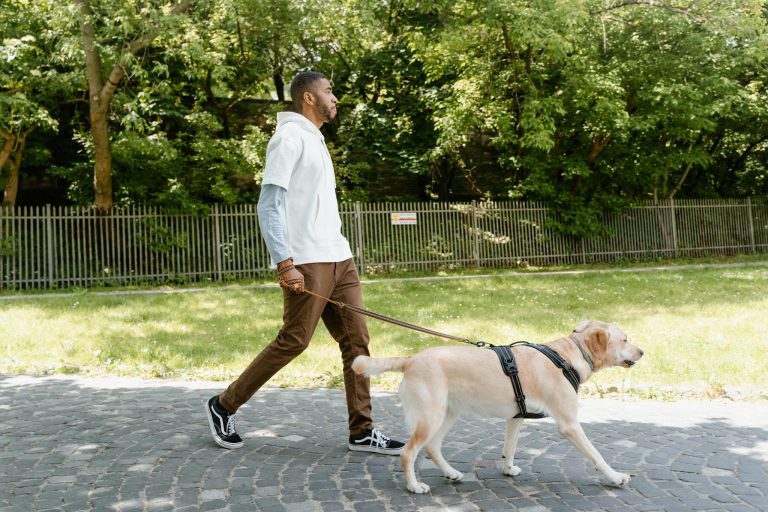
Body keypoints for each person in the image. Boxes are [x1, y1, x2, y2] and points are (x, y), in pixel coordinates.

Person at [204, 71, 405, 455]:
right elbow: (269, 204)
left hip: (339, 256)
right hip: (307, 260)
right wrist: (284, 261)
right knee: (294, 340)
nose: (336, 97)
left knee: (357, 340)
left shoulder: (316, 139)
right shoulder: (288, 137)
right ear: (308, 98)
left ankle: (362, 430)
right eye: (329, 90)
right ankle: (223, 404)